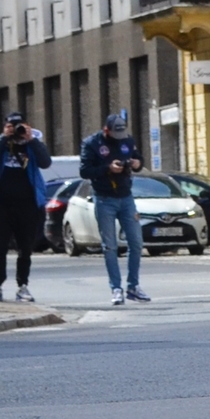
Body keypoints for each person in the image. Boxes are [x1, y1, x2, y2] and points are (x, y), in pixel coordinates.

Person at [80, 112, 151, 306]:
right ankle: (116, 288)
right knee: (110, 246)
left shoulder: (127, 140)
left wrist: (138, 163)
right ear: (106, 130)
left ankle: (133, 286)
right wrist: (107, 168)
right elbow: (84, 171)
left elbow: (137, 159)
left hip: (126, 197)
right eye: (114, 134)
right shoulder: (91, 143)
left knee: (136, 242)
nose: (119, 138)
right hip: (104, 199)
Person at [0, 113, 52, 304]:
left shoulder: (32, 144)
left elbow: (46, 162)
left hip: (28, 204)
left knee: (25, 247)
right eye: (12, 126)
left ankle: (23, 285)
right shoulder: (4, 145)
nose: (17, 130)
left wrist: (31, 140)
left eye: (19, 126)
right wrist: (3, 137)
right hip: (2, 203)